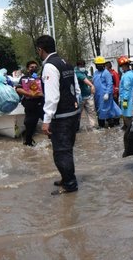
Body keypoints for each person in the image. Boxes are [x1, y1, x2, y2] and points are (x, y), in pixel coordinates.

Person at [36, 35, 81, 195]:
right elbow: (76, 89)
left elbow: (52, 96)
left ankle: (70, 184)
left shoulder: (49, 66)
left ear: (40, 49)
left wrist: (47, 120)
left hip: (61, 117)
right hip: (73, 113)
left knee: (61, 152)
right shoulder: (66, 63)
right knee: (67, 149)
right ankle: (66, 177)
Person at [15, 61, 44, 146]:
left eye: (35, 67)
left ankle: (54, 143)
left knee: (49, 123)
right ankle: (28, 145)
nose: (34, 68)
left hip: (41, 104)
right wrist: (30, 94)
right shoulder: (24, 78)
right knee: (30, 125)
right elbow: (18, 89)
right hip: (30, 104)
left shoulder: (41, 78)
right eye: (32, 67)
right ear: (28, 69)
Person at [93, 56, 121, 128]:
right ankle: (101, 126)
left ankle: (111, 125)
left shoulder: (106, 73)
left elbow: (110, 83)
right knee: (99, 110)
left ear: (103, 65)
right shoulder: (95, 73)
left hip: (105, 96)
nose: (99, 66)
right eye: (97, 65)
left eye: (100, 64)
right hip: (97, 96)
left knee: (107, 110)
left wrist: (107, 93)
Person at [75, 60, 97, 131]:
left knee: (91, 112)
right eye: (81, 66)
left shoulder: (84, 72)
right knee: (78, 114)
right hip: (80, 98)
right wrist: (91, 85)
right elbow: (83, 79)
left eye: (83, 66)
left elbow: (88, 78)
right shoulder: (76, 72)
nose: (82, 67)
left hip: (88, 96)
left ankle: (92, 127)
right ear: (78, 66)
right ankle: (76, 128)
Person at [106, 60, 121, 126]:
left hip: (114, 93)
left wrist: (115, 93)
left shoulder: (114, 73)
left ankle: (117, 120)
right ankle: (111, 120)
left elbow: (117, 83)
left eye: (105, 66)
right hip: (109, 94)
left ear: (108, 66)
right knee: (110, 107)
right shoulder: (107, 73)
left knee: (116, 107)